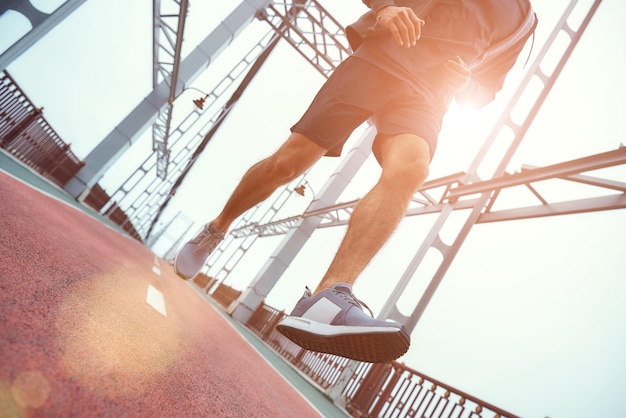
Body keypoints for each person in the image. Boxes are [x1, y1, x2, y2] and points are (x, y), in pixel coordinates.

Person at [175, 0, 537, 363]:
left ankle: (328, 295)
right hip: (383, 57)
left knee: (412, 168)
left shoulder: (523, 19)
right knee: (288, 163)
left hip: (428, 96)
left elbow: (486, 91)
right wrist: (384, 9)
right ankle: (218, 227)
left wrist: (467, 84)